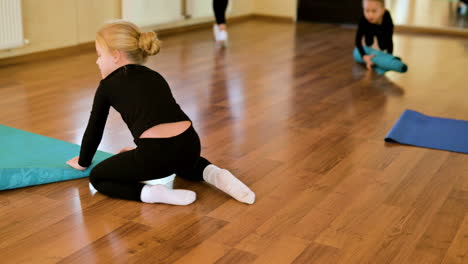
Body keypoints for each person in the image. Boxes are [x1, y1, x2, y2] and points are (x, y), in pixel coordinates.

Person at [66, 21, 255, 206]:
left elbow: (95, 128)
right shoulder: (154, 75)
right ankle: (216, 174)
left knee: (98, 177)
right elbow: (160, 121)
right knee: (184, 163)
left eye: (99, 55)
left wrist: (84, 162)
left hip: (156, 154)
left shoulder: (106, 86)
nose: (97, 61)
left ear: (116, 55)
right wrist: (140, 151)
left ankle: (152, 193)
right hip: (189, 144)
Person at [355, 0, 394, 71]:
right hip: (369, 32)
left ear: (383, 10)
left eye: (374, 11)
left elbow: (389, 40)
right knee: (368, 42)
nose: (370, 15)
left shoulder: (387, 19)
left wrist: (389, 57)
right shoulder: (364, 19)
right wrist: (364, 56)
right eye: (366, 10)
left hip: (381, 30)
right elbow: (358, 40)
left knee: (383, 45)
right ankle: (370, 43)